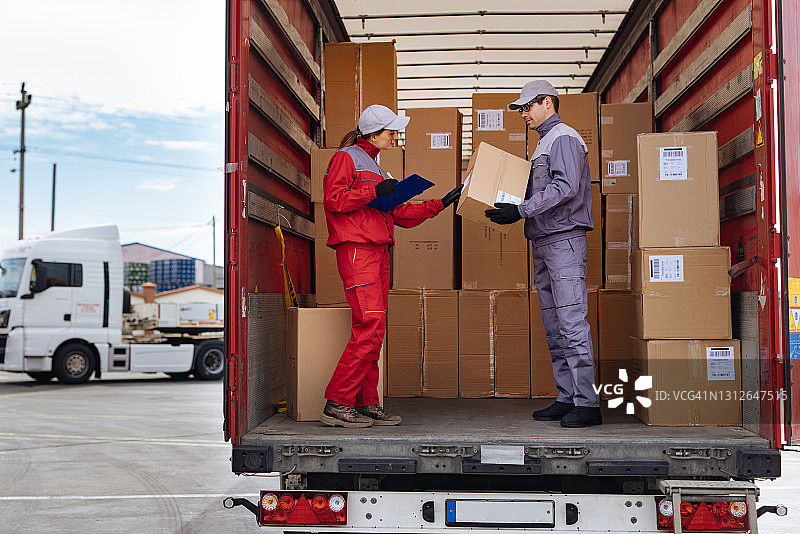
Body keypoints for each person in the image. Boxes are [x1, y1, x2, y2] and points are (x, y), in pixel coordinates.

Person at [321, 104, 463, 428]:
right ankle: (338, 401)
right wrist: (375, 189)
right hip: (358, 251)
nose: (396, 135)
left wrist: (440, 204)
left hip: (379, 252)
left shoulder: (376, 166)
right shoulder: (347, 157)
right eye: (391, 130)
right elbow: (334, 199)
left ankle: (367, 401)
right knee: (370, 325)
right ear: (373, 132)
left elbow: (398, 215)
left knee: (376, 329)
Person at [485, 80, 601, 428]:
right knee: (554, 325)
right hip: (544, 240)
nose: (523, 114)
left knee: (571, 322)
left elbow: (564, 187)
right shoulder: (542, 144)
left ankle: (587, 403)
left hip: (564, 239)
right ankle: (568, 397)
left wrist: (519, 210)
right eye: (520, 109)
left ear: (547, 103)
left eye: (527, 107)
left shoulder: (563, 137)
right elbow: (540, 188)